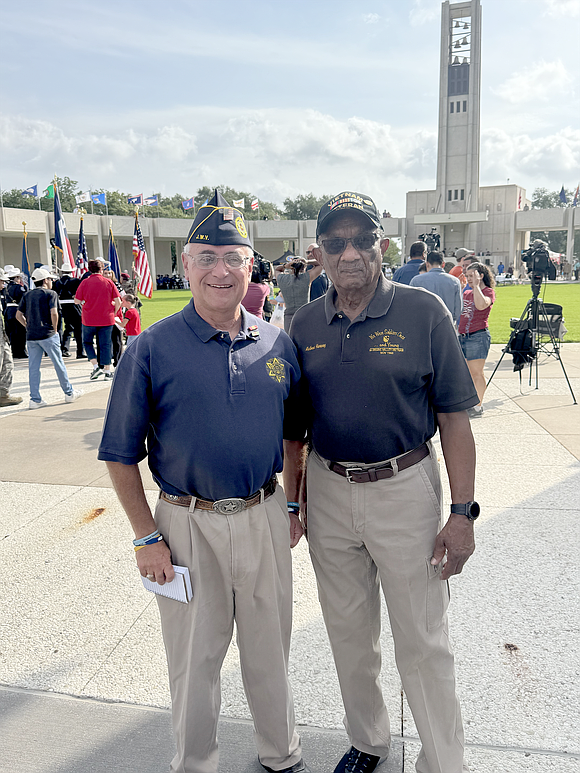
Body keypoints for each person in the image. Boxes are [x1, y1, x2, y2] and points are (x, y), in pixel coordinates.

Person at [98, 190, 309, 773]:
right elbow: (120, 454)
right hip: (185, 523)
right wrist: (146, 536)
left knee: (271, 650)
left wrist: (293, 505)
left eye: (233, 257)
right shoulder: (149, 349)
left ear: (250, 267)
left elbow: (295, 437)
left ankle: (282, 754)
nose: (221, 270)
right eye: (207, 256)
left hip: (265, 514)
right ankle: (195, 764)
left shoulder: (277, 343)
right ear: (186, 265)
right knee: (194, 659)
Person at [283, 191, 479, 773]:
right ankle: (368, 741)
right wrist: (296, 501)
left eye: (363, 240)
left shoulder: (423, 312)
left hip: (404, 486)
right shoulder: (305, 322)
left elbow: (455, 420)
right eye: (337, 242)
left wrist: (463, 513)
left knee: (421, 639)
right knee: (349, 634)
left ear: (382, 246)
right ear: (319, 252)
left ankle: (444, 762)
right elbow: (295, 430)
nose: (350, 253)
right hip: (328, 489)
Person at [16, 268, 82, 409]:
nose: (52, 281)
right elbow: (54, 313)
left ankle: (35, 398)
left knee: (33, 368)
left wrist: (27, 326)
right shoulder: (50, 294)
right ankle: (68, 392)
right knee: (58, 364)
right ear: (45, 280)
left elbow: (18, 315)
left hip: (31, 335)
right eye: (50, 279)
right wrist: (55, 328)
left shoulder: (27, 295)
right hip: (48, 333)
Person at [458, 261, 495, 419]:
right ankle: (469, 402)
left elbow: (481, 306)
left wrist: (477, 286)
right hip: (463, 337)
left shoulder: (488, 292)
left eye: (472, 275)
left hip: (478, 336)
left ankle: (478, 406)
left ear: (481, 275)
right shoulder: (467, 293)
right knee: (465, 374)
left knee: (476, 373)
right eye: (467, 276)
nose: (469, 279)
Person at [75, 258, 122, 381]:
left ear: (89, 270)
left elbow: (77, 300)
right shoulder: (108, 282)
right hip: (106, 317)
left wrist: (85, 303)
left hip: (89, 318)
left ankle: (96, 366)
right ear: (101, 269)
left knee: (88, 342)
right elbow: (118, 301)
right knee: (105, 344)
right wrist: (114, 311)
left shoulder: (85, 282)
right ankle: (107, 370)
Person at [410, 250, 462, 326]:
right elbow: (458, 309)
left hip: (424, 325)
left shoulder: (416, 281)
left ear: (427, 264)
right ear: (443, 264)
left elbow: (411, 305)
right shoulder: (455, 281)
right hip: (447, 325)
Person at [275, 256, 323, 332]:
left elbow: (277, 269)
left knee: (290, 340)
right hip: (304, 315)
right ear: (304, 267)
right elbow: (321, 263)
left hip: (289, 316)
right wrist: (307, 261)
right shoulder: (306, 277)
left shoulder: (283, 279)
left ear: (291, 267)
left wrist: (285, 266)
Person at [0, 267, 23, 407]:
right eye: (1, 281)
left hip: (2, 336)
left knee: (7, 364)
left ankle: (3, 394)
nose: (3, 285)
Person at [53, 264, 85, 359]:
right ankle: (80, 351)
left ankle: (64, 349)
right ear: (71, 272)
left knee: (68, 328)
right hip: (74, 305)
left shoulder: (57, 282)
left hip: (62, 306)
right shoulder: (76, 281)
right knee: (78, 329)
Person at [3, 266, 28, 358]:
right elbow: (24, 298)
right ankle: (21, 352)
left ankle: (14, 352)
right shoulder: (19, 287)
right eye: (19, 277)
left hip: (8, 311)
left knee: (13, 333)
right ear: (16, 278)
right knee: (21, 333)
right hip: (17, 310)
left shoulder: (6, 288)